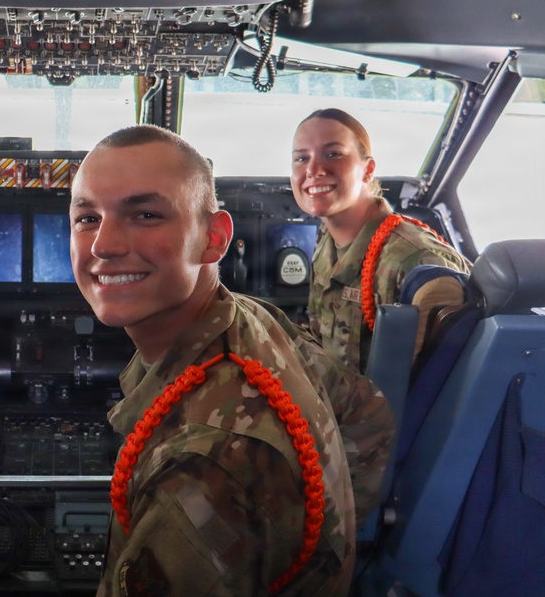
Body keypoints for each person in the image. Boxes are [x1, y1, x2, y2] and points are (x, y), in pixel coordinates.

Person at [70, 125, 394, 597]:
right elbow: (369, 412)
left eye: (144, 214)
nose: (104, 245)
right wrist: (323, 548)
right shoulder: (249, 316)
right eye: (87, 218)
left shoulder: (205, 460)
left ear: (215, 238)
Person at [290, 108, 471, 374]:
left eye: (333, 154)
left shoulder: (417, 260)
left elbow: (439, 391)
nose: (313, 170)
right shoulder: (328, 237)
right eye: (301, 158)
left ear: (368, 169)